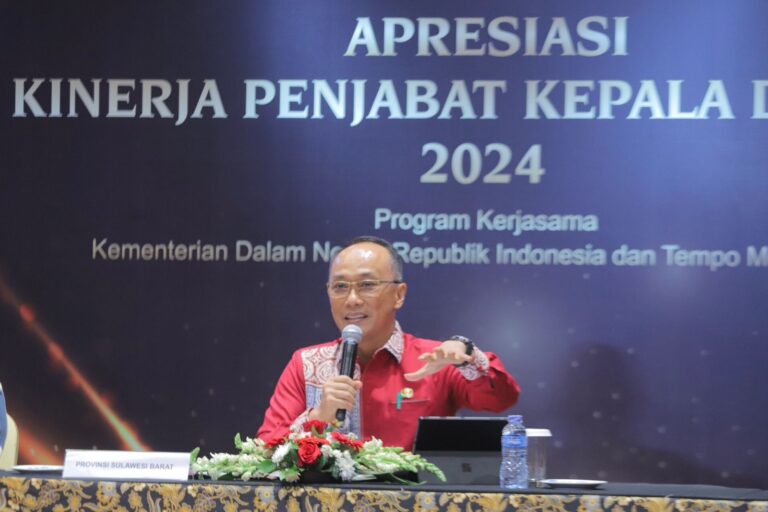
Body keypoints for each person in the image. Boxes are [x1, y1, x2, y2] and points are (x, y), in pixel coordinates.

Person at [257, 236, 520, 450]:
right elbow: (265, 448)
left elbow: (501, 398)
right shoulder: (305, 364)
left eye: (367, 284)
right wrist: (317, 417)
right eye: (340, 287)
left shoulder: (434, 360)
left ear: (399, 294)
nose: (352, 299)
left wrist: (468, 356)